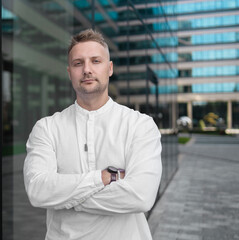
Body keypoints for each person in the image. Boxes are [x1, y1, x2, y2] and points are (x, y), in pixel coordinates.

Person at [23, 29, 162, 240]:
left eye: (95, 61)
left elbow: (141, 196)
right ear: (70, 72)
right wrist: (102, 177)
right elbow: (38, 191)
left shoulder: (140, 125)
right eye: (78, 63)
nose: (87, 69)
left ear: (109, 68)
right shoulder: (47, 128)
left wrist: (65, 198)